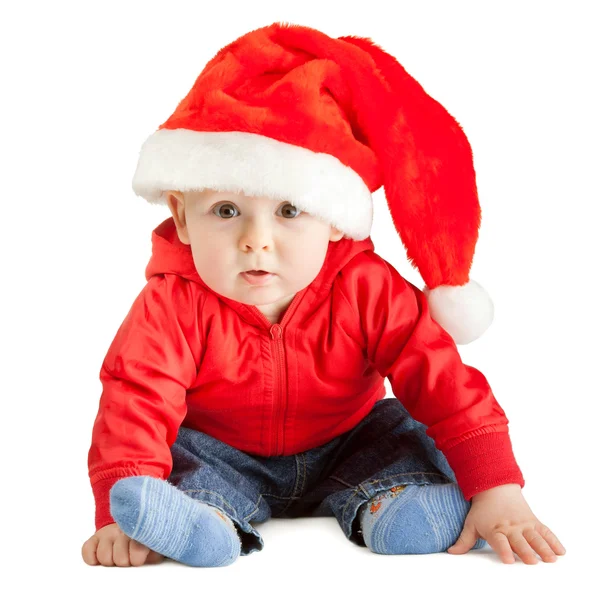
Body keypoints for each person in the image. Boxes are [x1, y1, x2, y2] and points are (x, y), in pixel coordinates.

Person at [81, 22, 566, 568]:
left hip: (347, 441)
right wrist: (116, 510)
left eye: (288, 211)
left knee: (396, 434)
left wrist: (496, 484)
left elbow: (438, 375)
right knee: (181, 459)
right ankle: (202, 520)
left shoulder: (367, 287)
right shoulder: (172, 303)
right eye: (225, 211)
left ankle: (403, 503)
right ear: (182, 217)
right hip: (223, 451)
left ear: (335, 221)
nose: (255, 239)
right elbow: (135, 398)